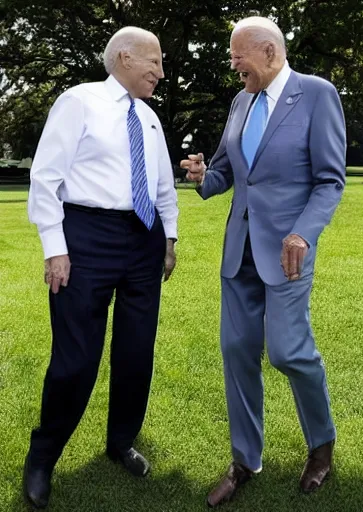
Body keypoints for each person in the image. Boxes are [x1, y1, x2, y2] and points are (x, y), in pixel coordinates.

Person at [180, 16, 346, 508]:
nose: (233, 65)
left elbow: (330, 180)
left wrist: (304, 232)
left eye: (238, 56)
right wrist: (202, 175)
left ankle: (321, 447)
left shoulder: (316, 94)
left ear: (269, 52)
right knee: (236, 351)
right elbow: (229, 174)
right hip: (240, 252)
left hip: (288, 251)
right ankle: (244, 460)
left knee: (287, 352)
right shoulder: (240, 101)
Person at [24, 26, 178, 509]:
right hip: (86, 238)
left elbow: (162, 185)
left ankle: (120, 442)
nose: (159, 71)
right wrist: (55, 248)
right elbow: (46, 177)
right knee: (76, 359)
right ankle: (43, 456)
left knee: (136, 351)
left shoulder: (150, 118)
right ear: (125, 58)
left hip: (143, 242)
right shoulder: (79, 101)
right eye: (153, 62)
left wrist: (168, 240)